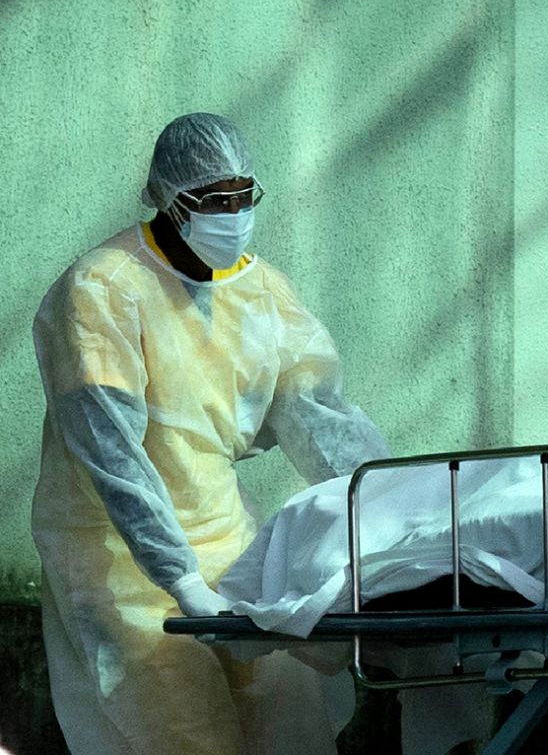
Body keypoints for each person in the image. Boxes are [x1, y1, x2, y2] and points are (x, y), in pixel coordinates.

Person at [31, 112, 392, 755]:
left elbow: (320, 416)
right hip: (116, 556)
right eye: (212, 200)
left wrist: (393, 510)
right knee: (180, 732)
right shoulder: (101, 290)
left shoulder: (261, 291)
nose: (232, 214)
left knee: (287, 724)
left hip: (227, 540)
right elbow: (112, 456)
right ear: (171, 199)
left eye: (241, 196)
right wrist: (181, 580)